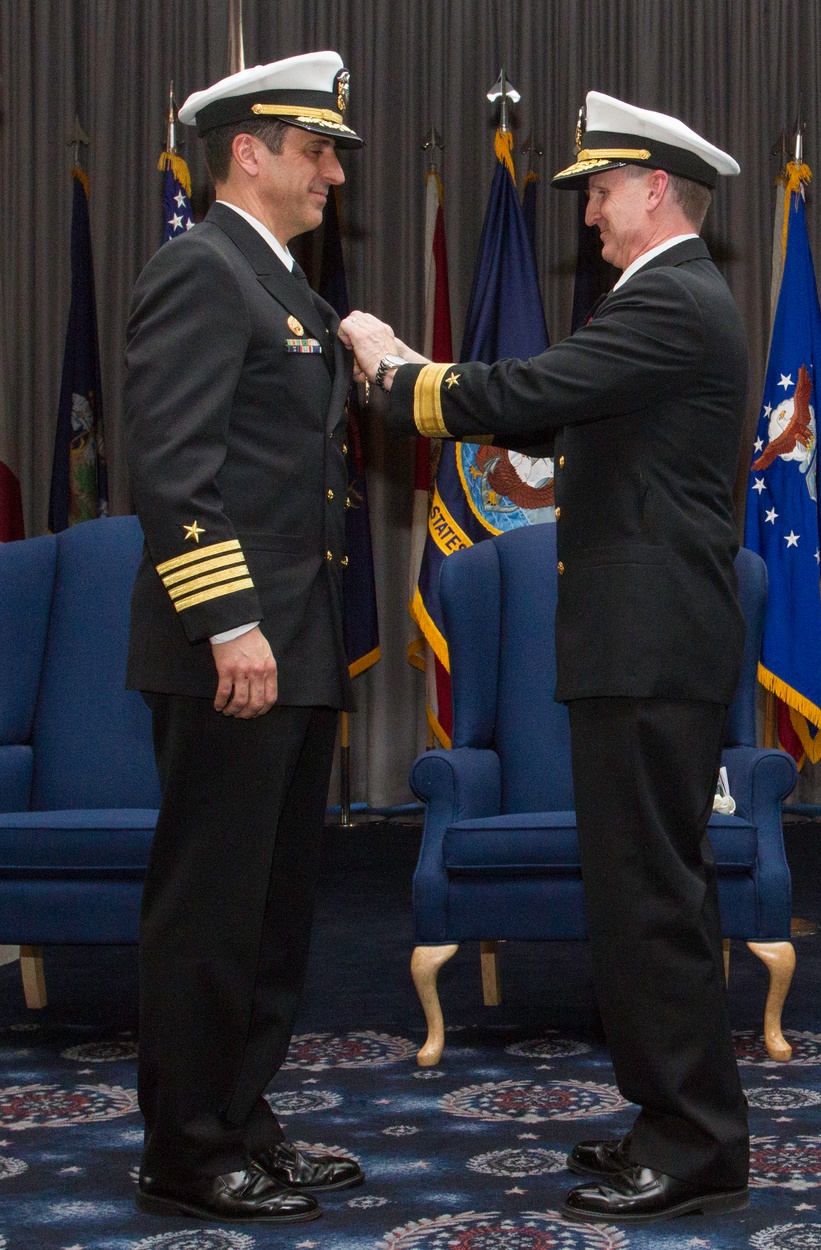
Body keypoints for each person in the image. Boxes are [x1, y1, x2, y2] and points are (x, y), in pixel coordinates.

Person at [340, 91, 751, 1225]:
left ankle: (695, 1138)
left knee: (651, 898)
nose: (587, 217)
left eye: (601, 191)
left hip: (649, 645)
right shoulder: (662, 301)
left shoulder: (670, 300)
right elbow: (548, 420)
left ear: (655, 188)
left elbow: (528, 392)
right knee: (640, 894)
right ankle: (675, 1118)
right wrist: (443, 393)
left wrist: (394, 370)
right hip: (641, 642)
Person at [124, 52, 365, 1225]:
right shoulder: (200, 271)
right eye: (315, 150)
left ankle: (241, 1117)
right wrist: (230, 624)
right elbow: (177, 472)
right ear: (247, 153)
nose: (332, 171)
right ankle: (182, 1144)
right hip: (232, 650)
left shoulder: (288, 291)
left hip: (296, 649)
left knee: (272, 910)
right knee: (210, 907)